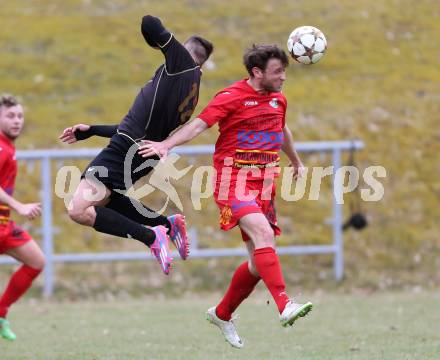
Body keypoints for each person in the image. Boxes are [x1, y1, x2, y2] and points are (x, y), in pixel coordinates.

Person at [139, 44, 313, 348]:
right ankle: (285, 305)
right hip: (232, 181)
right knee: (262, 233)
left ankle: (222, 313)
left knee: (259, 263)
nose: (284, 77)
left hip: (264, 187)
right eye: (277, 71)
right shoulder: (231, 97)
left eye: (285, 71)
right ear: (257, 73)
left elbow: (282, 130)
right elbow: (198, 125)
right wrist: (166, 145)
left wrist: (296, 161)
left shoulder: (278, 100)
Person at [59, 15, 213, 275]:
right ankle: (166, 225)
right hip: (139, 150)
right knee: (107, 201)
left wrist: (161, 44)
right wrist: (93, 130)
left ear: (186, 52)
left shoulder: (182, 64)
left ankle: (151, 237)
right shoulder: (189, 84)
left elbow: (149, 22)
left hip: (126, 149)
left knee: (78, 210)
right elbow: (136, 124)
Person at [0, 95, 45, 341]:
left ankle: (1, 312)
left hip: (4, 225)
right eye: (10, 116)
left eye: (19, 116)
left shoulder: (8, 146)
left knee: (36, 261)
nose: (16, 121)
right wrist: (20, 206)